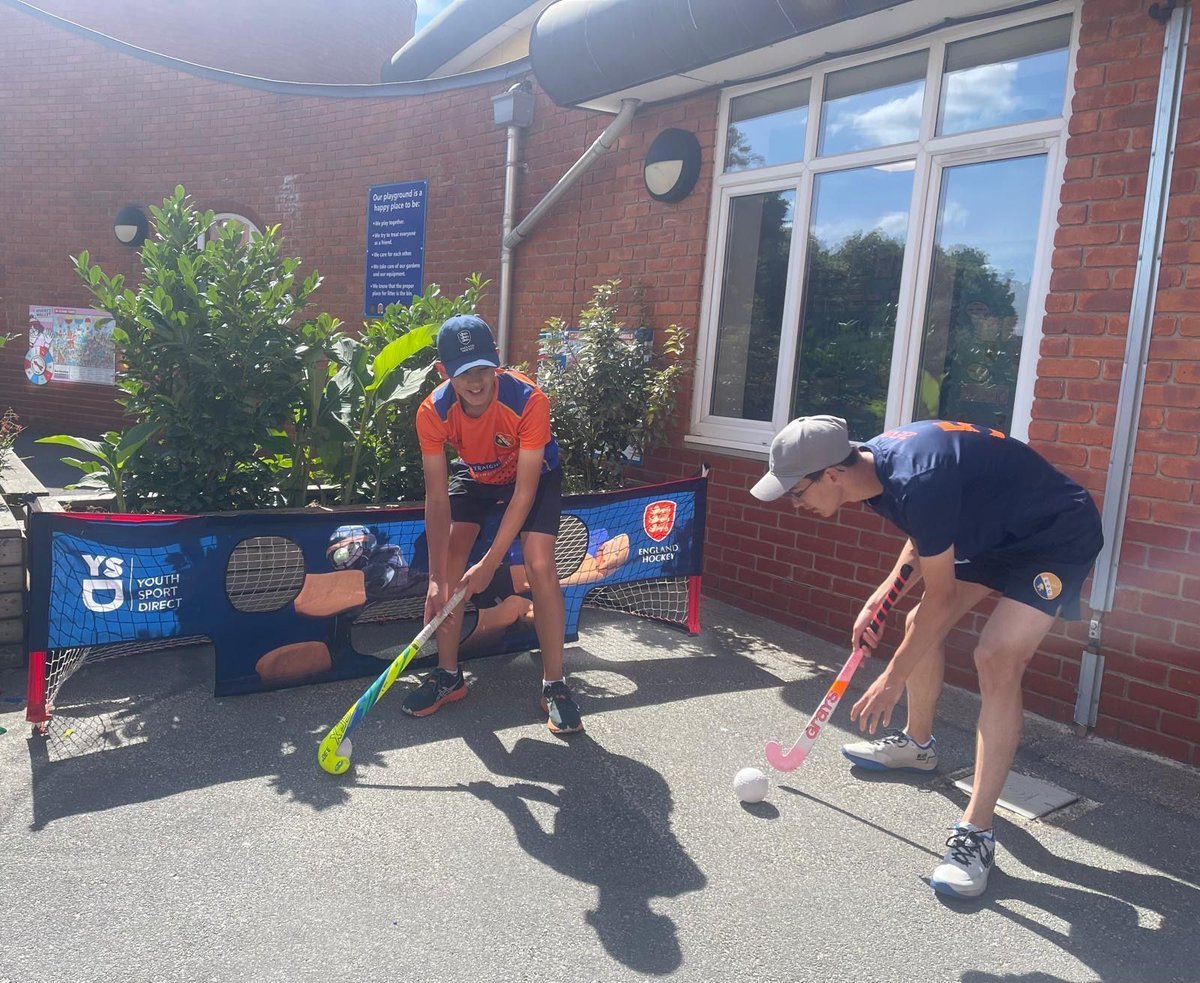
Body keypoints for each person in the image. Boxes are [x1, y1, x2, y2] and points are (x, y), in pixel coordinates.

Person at [750, 415, 1102, 898]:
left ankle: (977, 832)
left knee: (996, 656)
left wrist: (892, 678)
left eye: (796, 491)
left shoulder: (917, 474)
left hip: (1053, 536)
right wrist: (883, 596)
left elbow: (941, 588)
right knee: (917, 623)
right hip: (992, 533)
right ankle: (918, 746)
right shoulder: (871, 471)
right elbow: (924, 533)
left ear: (831, 474)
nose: (796, 503)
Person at [407, 313, 583, 734]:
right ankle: (449, 676)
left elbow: (522, 494)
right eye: (464, 372)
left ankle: (554, 685)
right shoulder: (432, 412)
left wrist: (489, 563)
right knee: (450, 564)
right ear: (443, 371)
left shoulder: (528, 400)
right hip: (479, 475)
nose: (477, 381)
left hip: (534, 476)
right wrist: (435, 579)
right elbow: (436, 498)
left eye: (484, 368)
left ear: (497, 362)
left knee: (540, 564)